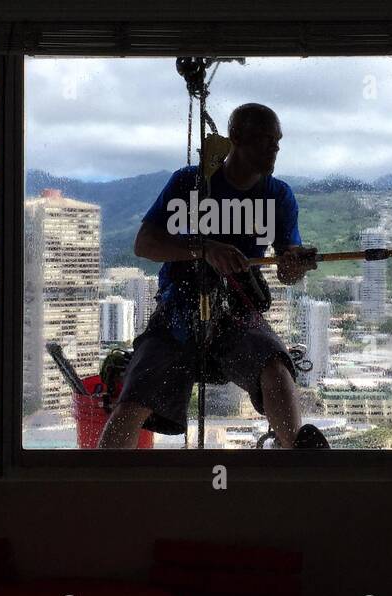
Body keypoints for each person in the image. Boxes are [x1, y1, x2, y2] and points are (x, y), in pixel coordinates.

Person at [97, 103, 329, 449]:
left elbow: (286, 269)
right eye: (265, 140)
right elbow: (144, 243)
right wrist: (204, 249)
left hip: (236, 308)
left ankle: (295, 453)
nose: (274, 149)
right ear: (236, 137)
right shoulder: (188, 183)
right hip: (179, 307)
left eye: (277, 141)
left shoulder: (279, 196)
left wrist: (294, 265)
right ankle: (105, 488)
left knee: (277, 372)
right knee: (134, 398)